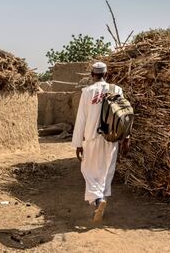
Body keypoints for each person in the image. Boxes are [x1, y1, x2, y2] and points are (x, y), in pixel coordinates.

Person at [72, 61, 130, 223]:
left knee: (88, 171)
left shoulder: (87, 92)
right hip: (111, 138)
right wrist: (126, 137)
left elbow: (81, 119)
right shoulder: (117, 90)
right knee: (105, 172)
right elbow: (124, 115)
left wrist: (78, 143)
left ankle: (98, 200)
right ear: (106, 74)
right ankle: (100, 204)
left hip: (92, 138)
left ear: (92, 75)